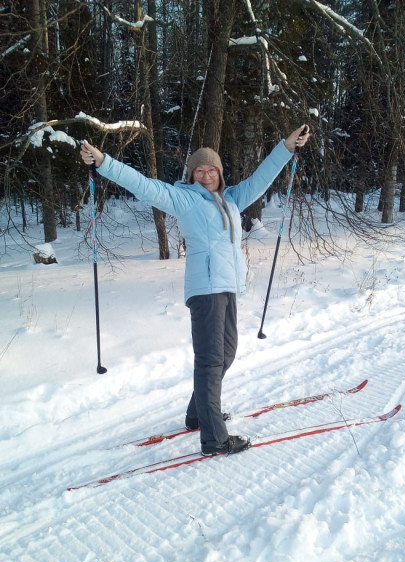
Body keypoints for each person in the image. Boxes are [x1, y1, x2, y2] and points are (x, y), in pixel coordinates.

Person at [80, 124, 310, 456]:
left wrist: (286, 147)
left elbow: (262, 178)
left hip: (228, 287)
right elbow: (144, 185)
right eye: (198, 170)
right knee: (210, 360)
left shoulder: (231, 198)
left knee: (225, 354)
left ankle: (197, 415)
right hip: (205, 290)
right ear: (192, 174)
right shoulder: (185, 199)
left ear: (219, 172)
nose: (204, 175)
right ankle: (214, 438)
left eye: (210, 169)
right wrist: (103, 162)